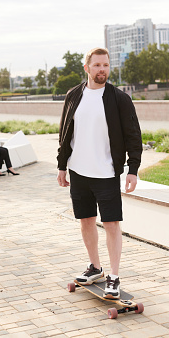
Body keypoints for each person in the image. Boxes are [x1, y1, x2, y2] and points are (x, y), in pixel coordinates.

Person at [57, 47, 142, 299]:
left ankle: (113, 277)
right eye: (96, 65)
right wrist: (62, 166)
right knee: (85, 220)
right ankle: (95, 267)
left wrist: (132, 169)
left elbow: (133, 135)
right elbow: (64, 132)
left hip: (106, 172)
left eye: (105, 65)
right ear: (87, 68)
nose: (101, 70)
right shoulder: (74, 95)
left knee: (112, 223)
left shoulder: (119, 98)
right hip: (78, 171)